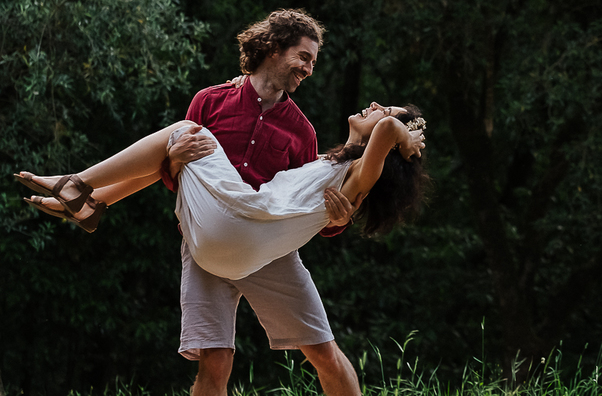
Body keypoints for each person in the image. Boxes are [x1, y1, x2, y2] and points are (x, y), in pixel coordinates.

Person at [24, 10, 420, 396]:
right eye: (304, 56)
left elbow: (305, 207)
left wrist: (377, 171)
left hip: (267, 246)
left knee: (322, 350)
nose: (308, 68)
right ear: (274, 46)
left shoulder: (303, 132)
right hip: (211, 232)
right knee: (216, 359)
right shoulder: (211, 101)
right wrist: (175, 158)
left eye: (314, 61)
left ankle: (83, 192)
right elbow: (172, 173)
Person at [17, 103, 427, 278]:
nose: (375, 108)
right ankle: (92, 204)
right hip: (236, 251)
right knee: (177, 153)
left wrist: (404, 138)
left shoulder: (359, 176)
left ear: (390, 150)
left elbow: (390, 131)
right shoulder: (331, 166)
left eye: (384, 110)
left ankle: (79, 185)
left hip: (242, 225)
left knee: (188, 133)